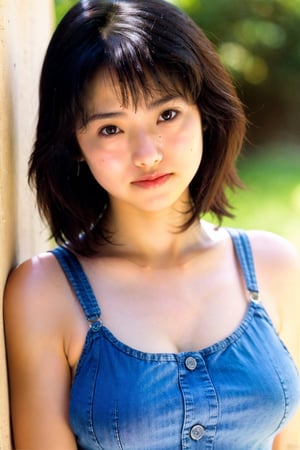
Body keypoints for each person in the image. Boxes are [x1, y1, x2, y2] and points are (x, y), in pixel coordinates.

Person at [4, 0, 300, 448]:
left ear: (205, 113)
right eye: (111, 129)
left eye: (167, 115)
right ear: (75, 143)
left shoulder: (274, 268)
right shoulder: (44, 292)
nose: (147, 154)